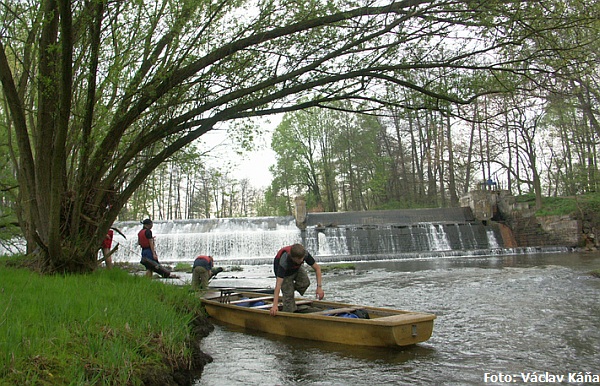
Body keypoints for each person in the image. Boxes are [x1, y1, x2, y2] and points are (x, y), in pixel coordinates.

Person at [270, 243, 324, 316]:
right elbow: (278, 285)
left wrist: (319, 288)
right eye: (299, 259)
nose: (302, 260)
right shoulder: (284, 261)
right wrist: (275, 305)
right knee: (288, 301)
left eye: (302, 258)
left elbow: (317, 268)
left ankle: (289, 290)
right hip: (285, 274)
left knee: (305, 283)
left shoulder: (304, 254)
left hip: (296, 268)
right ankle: (288, 307)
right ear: (293, 257)